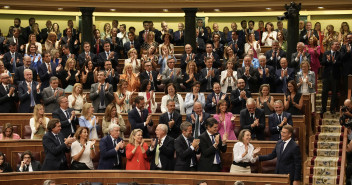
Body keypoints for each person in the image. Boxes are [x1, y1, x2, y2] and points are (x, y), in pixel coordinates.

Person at [321, 41, 341, 114]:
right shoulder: (326, 53)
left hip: (335, 76)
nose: (337, 45)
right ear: (331, 45)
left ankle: (332, 109)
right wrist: (328, 60)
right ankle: (323, 108)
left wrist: (334, 61)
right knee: (324, 92)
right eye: (336, 44)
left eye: (338, 44)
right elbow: (322, 62)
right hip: (326, 76)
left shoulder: (339, 54)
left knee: (334, 93)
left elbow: (340, 63)